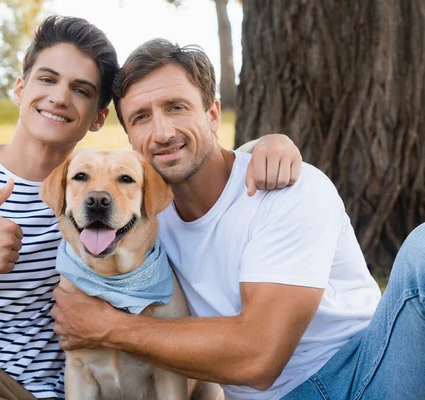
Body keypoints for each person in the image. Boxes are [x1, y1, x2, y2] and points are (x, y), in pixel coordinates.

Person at [0, 17, 301, 400]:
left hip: (15, 389)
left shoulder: (111, 207)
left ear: (98, 117)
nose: (58, 96)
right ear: (20, 87)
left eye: (80, 89)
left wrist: (269, 145)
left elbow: (190, 172)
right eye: (48, 79)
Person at [51, 38, 425, 400]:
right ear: (131, 137)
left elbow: (260, 358)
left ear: (213, 114)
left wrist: (109, 328)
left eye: (176, 107)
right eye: (141, 118)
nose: (162, 132)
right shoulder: (141, 220)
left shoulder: (289, 188)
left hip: (364, 376)